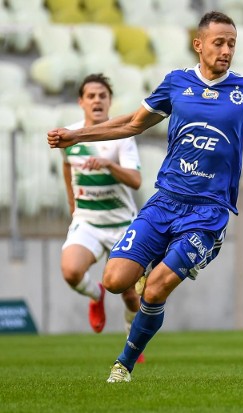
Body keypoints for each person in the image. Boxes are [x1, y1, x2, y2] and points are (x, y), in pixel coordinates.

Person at [47, 11, 243, 383]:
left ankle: (125, 363)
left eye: (232, 43)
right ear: (199, 45)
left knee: (159, 286)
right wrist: (77, 135)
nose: (226, 50)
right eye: (219, 42)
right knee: (115, 280)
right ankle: (151, 264)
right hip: (165, 202)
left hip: (208, 212)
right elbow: (132, 123)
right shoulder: (177, 83)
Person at [59, 74, 144, 353]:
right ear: (81, 102)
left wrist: (109, 165)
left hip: (122, 224)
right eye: (91, 96)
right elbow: (68, 166)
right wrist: (73, 208)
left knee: (131, 295)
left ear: (109, 102)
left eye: (102, 96)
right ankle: (97, 293)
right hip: (88, 222)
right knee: (71, 272)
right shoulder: (70, 135)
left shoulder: (122, 137)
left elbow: (135, 180)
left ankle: (132, 344)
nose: (97, 100)